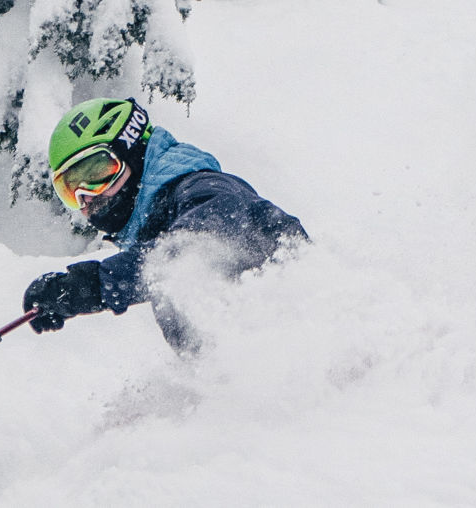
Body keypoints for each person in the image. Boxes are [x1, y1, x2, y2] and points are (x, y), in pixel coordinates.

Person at [23, 97, 307, 354]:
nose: (88, 198)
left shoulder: (204, 189)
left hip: (310, 359)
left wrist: (92, 285)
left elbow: (196, 246)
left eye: (97, 172)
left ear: (132, 151)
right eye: (71, 189)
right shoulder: (157, 239)